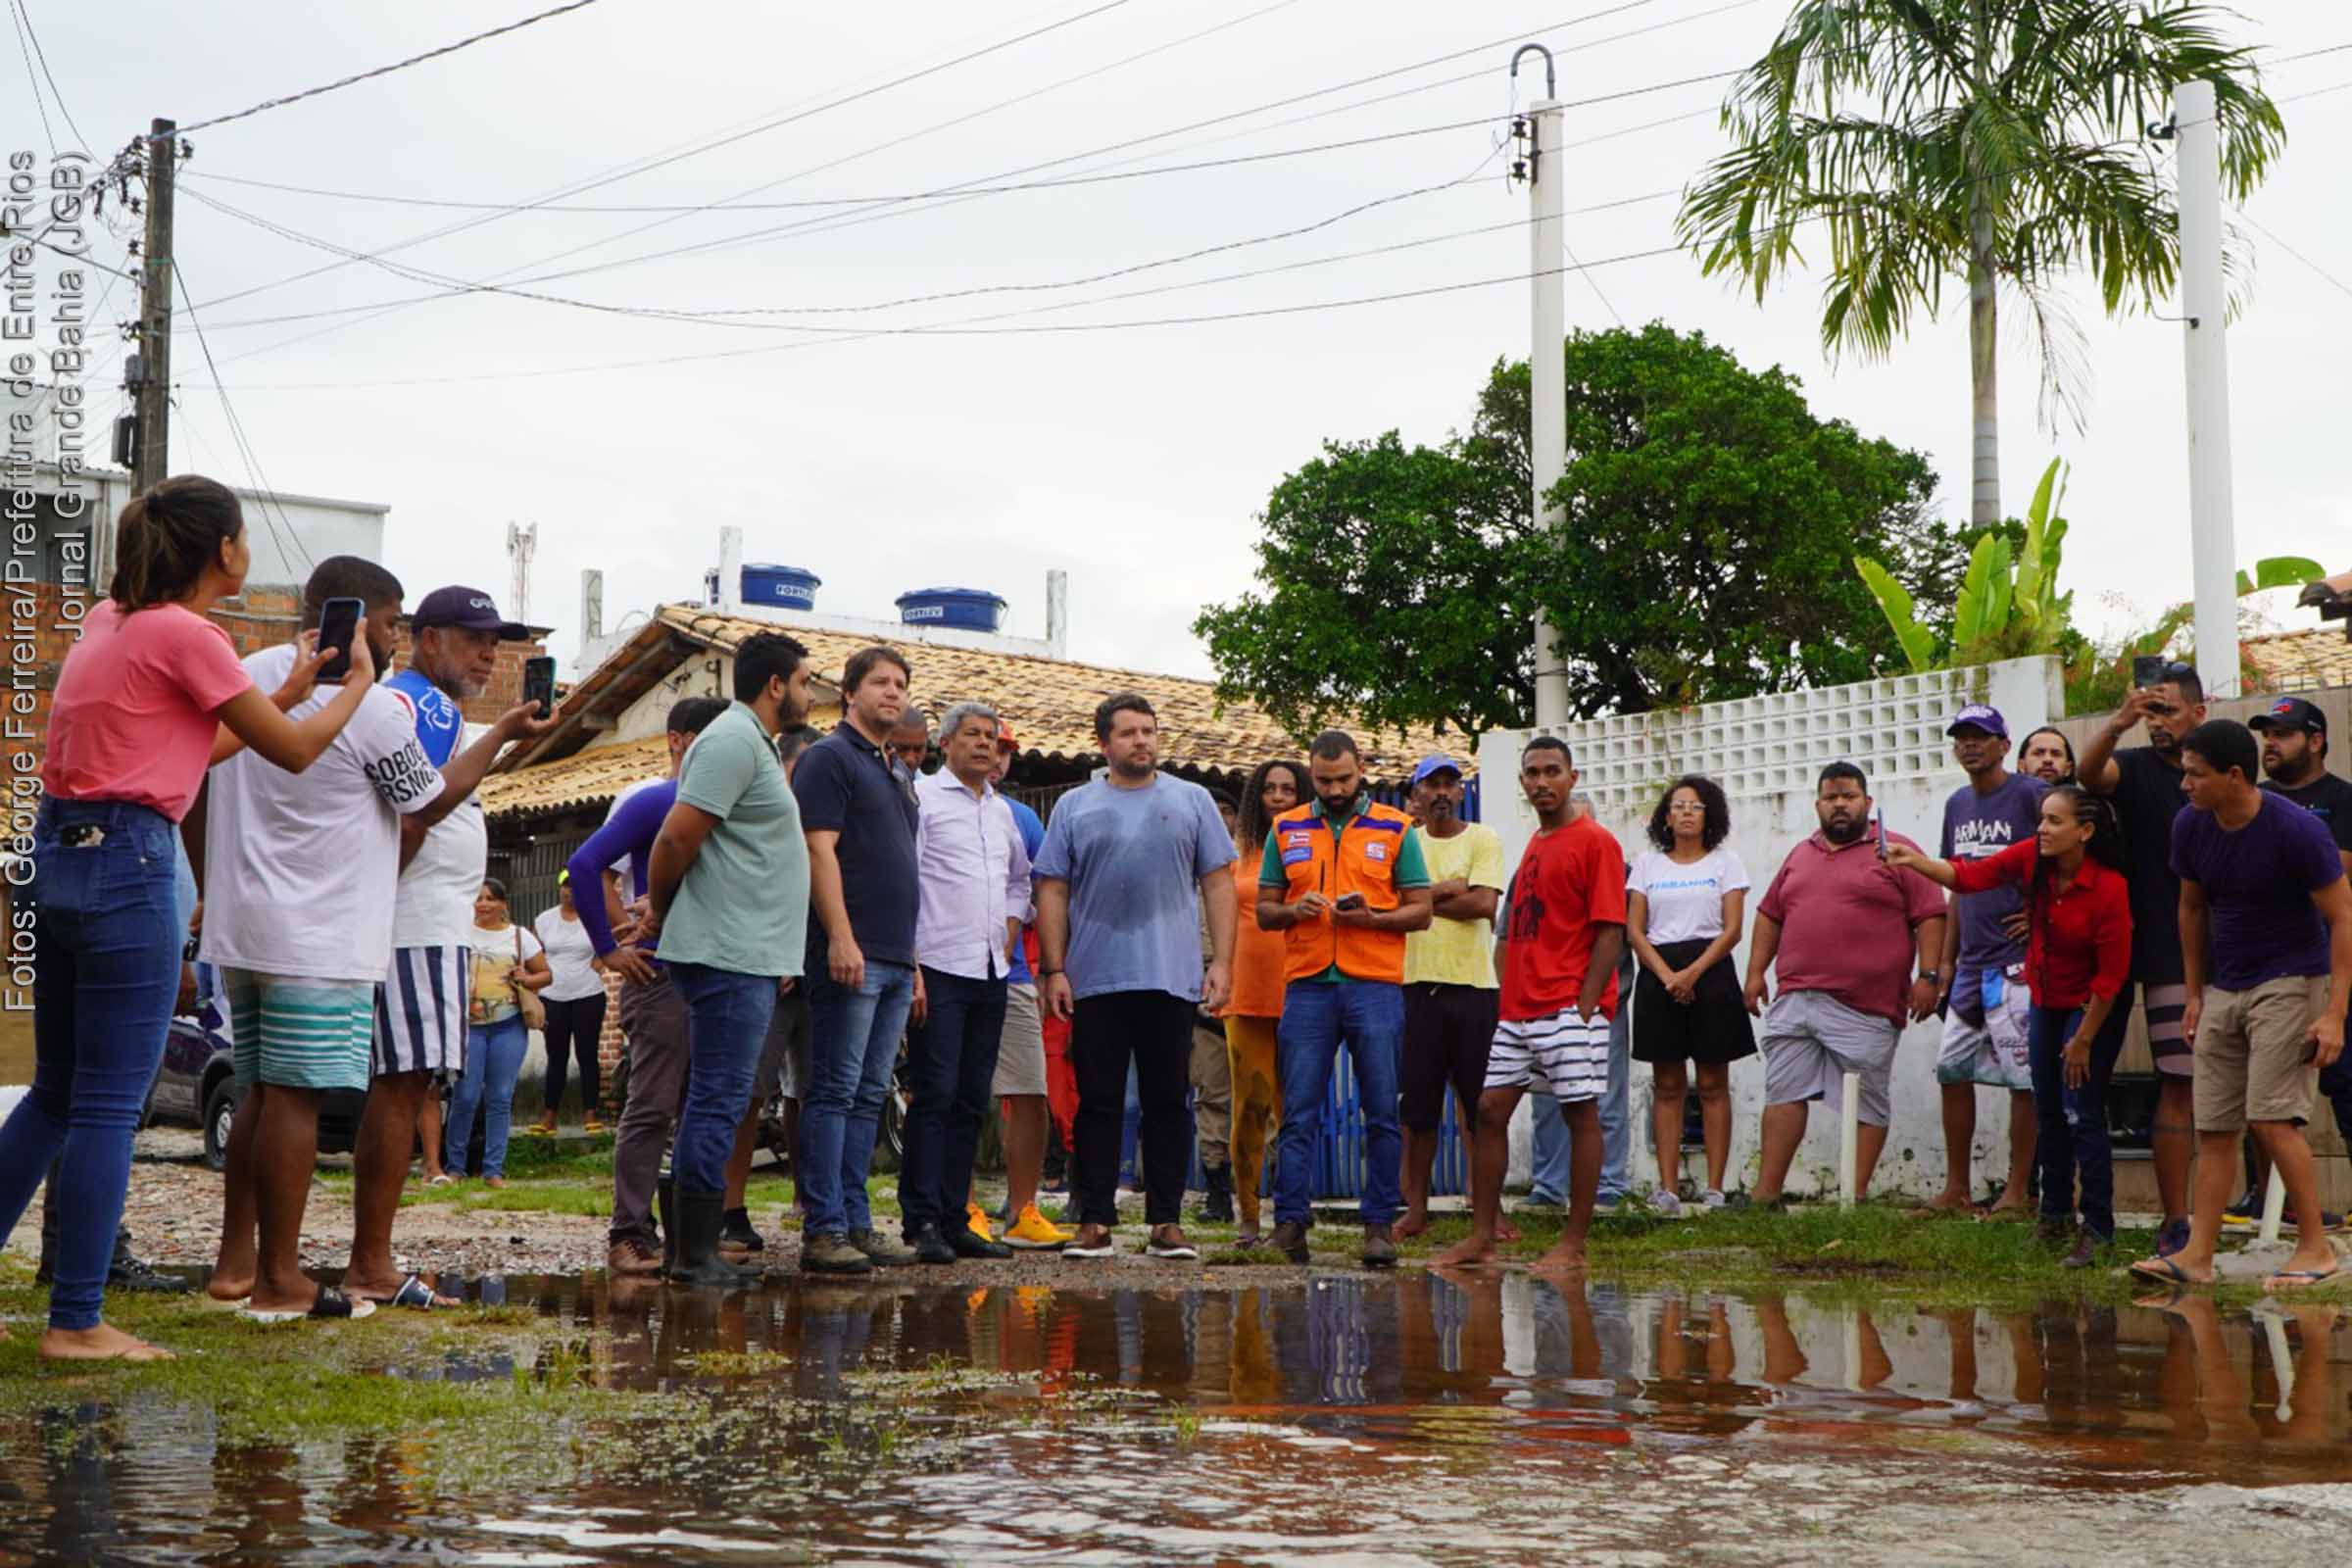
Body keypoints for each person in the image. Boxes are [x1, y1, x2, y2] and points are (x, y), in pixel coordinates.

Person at [0, 478, 369, 1360]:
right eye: (243, 540)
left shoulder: (107, 622)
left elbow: (191, 745)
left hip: (56, 855)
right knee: (106, 1104)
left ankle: (74, 1308)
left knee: (57, 1093)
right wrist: (351, 686)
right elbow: (293, 755)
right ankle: (78, 1321)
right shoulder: (190, 634)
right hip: (131, 864)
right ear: (223, 552)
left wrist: (291, 688)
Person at [201, 557, 462, 1324]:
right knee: (296, 1097)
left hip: (243, 922)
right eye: (389, 625)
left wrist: (207, 888)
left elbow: (196, 781)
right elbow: (428, 800)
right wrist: (505, 737)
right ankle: (282, 1278)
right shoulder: (372, 706)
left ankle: (235, 1262)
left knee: (258, 1088)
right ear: (353, 616)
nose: (390, 641)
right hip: (318, 929)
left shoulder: (249, 673)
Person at [346, 584, 548, 1312]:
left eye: (495, 640)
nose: (489, 654)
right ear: (427, 640)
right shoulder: (426, 706)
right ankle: (369, 1263)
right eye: (472, 639)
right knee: (401, 1087)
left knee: (401, 1087)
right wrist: (373, 899)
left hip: (423, 923)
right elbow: (415, 813)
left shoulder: (433, 711)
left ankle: (368, 1257)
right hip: (417, 924)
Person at [2130, 719, 2352, 1293]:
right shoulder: (2191, 825)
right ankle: (2197, 1255)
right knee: (2216, 1125)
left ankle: (2316, 1248)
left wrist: (2334, 1012)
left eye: (2195, 776)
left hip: (2292, 978)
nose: (2185, 786)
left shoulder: (2296, 830)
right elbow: (2190, 908)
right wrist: (2194, 993)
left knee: (2272, 1117)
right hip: (2226, 985)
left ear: (2233, 775)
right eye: (2183, 774)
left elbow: (2342, 916)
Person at [1886, 786, 2132, 1266]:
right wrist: (1912, 860)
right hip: (2046, 1001)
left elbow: (2112, 977)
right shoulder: (2032, 860)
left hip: (2091, 1009)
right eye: (2041, 819)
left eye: (2054, 822)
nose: (2041, 829)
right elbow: (1968, 876)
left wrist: (2083, 1041)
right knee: (2048, 1110)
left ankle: (2098, 1229)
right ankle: (2055, 1219)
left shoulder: (2108, 888)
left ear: (2084, 832)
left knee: (2081, 1111)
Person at [1035, 693, 1236, 1261]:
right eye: (1128, 733)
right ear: (1104, 743)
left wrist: (1221, 963)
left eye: (1148, 731)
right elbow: (1051, 887)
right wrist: (1054, 968)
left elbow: (1218, 884)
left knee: (1169, 1099)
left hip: (1171, 978)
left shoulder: (1191, 800)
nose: (1141, 741)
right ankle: (1094, 1220)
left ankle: (1167, 1222)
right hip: (1094, 978)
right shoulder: (1075, 806)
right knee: (1097, 1102)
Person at [642, 631, 815, 1285]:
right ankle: (694, 1254)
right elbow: (674, 839)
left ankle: (692, 1248)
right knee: (719, 1099)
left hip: (745, 951)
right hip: (726, 953)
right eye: (803, 681)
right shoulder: (733, 741)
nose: (806, 693)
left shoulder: (753, 746)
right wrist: (660, 910)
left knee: (719, 1097)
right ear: (776, 685)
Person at [1433, 737, 1623, 1276]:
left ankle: (1573, 1244)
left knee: (1579, 1113)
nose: (1541, 781)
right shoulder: (1537, 843)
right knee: (1489, 1111)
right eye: (1532, 773)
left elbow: (1610, 931)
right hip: (1519, 1008)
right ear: (1522, 783)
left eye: (1552, 771)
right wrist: (1508, 992)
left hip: (1568, 1005)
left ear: (1572, 777)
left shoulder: (1596, 842)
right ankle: (1482, 1237)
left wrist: (1585, 1007)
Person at [564, 696, 729, 1277]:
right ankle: (629, 1232)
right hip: (660, 973)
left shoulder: (732, 808)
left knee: (699, 1107)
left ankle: (687, 1234)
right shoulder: (659, 801)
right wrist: (611, 947)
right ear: (683, 742)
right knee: (653, 1105)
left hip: (718, 972)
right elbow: (584, 866)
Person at [1257, 732, 1433, 1268]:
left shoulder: (1396, 827)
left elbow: (1421, 909)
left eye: (1344, 779)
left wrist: (1372, 919)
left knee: (1381, 1109)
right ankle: (1290, 1224)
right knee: (1299, 1112)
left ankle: (1379, 1225)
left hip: (1374, 985)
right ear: (1312, 775)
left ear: (1362, 770)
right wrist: (1295, 910)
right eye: (1324, 780)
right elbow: (1265, 909)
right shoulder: (1285, 829)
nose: (1334, 789)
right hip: (1308, 985)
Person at [1741, 762, 1947, 1204]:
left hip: (1865, 1005)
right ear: (1817, 804)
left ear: (1867, 804)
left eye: (1848, 796)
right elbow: (1770, 913)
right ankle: (1765, 1197)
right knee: (1783, 1093)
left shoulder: (1895, 850)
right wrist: (1756, 972)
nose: (1839, 804)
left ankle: (1850, 1201)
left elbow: (1930, 912)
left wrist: (1928, 976)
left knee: (1867, 1102)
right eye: (1831, 797)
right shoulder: (1801, 853)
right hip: (1796, 997)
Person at [794, 646, 922, 1273]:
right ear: (849, 693)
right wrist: (841, 937)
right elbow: (820, 852)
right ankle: (824, 1228)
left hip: (897, 956)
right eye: (880, 682)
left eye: (900, 684)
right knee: (836, 1090)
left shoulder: (892, 768)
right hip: (852, 953)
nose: (892, 693)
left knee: (870, 1095)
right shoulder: (828, 759)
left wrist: (913, 959)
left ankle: (858, 1223)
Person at [2078, 663, 2206, 1256]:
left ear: (2199, 715)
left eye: (2167, 713)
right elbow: (2087, 773)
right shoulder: (2131, 768)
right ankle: (2175, 1220)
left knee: (2227, 1088)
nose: (2157, 726)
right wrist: (2118, 723)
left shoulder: (2223, 769)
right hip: (2154, 953)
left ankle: (2243, 1208)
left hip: (2221, 955)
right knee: (2173, 1087)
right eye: (2151, 714)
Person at [900, 702, 1028, 1263]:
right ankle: (921, 1219)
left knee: (973, 1099)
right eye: (971, 735)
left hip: (989, 970)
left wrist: (1010, 932)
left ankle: (957, 1219)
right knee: (935, 1095)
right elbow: (904, 885)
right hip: (939, 966)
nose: (983, 745)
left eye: (991, 737)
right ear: (944, 745)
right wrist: (913, 967)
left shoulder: (999, 810)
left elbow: (1020, 881)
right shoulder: (923, 799)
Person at [1919, 705, 2044, 1219]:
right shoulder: (1956, 804)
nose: (1970, 745)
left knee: (2023, 1080)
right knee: (1952, 1070)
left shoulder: (2031, 795)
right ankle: (1956, 1189)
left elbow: (2060, 859)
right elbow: (1954, 882)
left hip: (2017, 964)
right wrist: (1946, 960)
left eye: (1981, 737)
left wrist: (2039, 921)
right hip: (1970, 963)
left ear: (2003, 745)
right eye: (1962, 738)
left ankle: (2017, 1191)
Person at [1626, 774, 1753, 1213]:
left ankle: (1715, 1189)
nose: (1685, 812)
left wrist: (1693, 974)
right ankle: (1667, 1190)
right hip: (1658, 974)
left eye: (1695, 806)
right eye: (1677, 805)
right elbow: (1634, 930)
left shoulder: (1726, 863)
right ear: (1665, 815)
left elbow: (1732, 929)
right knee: (1666, 1084)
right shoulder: (1647, 865)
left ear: (1709, 815)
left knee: (1714, 1082)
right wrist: (1667, 976)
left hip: (1711, 972)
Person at [2248, 697, 2352, 1216]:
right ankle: (2264, 1201)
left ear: (2315, 741)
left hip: (2330, 965)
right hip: (2265, 966)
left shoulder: (2343, 800)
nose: (2271, 742)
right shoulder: (2253, 799)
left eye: (2283, 733)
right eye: (2267, 733)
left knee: (2345, 1085)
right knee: (2261, 1096)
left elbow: (2336, 872)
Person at [1396, 755, 1503, 1238]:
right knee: (1417, 1111)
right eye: (1431, 784)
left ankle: (1489, 1211)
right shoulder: (1405, 843)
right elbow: (1395, 905)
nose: (1441, 792)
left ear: (1461, 792)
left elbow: (1484, 904)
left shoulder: (1483, 839)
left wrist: (1423, 899)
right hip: (1417, 986)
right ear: (1416, 794)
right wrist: (1448, 889)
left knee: (1479, 1108)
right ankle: (1415, 1209)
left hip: (1475, 989)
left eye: (1449, 784)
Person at [982, 721, 1075, 1249]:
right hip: (948, 971)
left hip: (1015, 973)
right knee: (960, 1097)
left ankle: (1023, 1210)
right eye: (989, 746)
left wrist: (1051, 969)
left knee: (1031, 1091)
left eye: (1006, 752)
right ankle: (963, 1207)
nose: (997, 759)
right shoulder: (926, 801)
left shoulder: (1022, 819)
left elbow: (1047, 892)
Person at [1526, 795, 1634, 1214]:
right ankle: (1548, 1186)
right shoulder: (1533, 866)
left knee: (1604, 1096)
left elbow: (1625, 937)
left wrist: (1594, 1003)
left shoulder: (1618, 869)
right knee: (1547, 1100)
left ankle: (1610, 1184)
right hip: (1545, 1002)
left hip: (1603, 1003)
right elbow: (1510, 932)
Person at [1224, 759, 1306, 1248]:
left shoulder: (1314, 848)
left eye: (1289, 789)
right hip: (1246, 993)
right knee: (1248, 1109)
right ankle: (1249, 1216)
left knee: (1295, 1112)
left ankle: (1293, 1215)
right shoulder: (1235, 851)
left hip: (1303, 991)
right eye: (1270, 789)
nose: (1279, 797)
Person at [444, 879, 551, 1187]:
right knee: (464, 1096)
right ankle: (455, 1167)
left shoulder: (520, 937)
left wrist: (526, 978)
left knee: (500, 1098)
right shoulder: (460, 933)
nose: (484, 904)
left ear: (504, 904)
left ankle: (493, 1170)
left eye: (491, 899)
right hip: (469, 1027)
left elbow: (546, 974)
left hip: (509, 1025)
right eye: (478, 899)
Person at [1192, 787, 1241, 1225]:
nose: (1221, 818)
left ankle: (1267, 1189)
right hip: (1200, 991)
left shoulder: (1255, 866)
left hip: (1254, 989)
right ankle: (1217, 1190)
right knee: (1212, 1094)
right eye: (1215, 809)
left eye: (1228, 810)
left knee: (1265, 1095)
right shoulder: (1184, 868)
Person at [532, 872, 609, 1134]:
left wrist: (598, 966)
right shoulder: (544, 920)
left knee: (587, 1055)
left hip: (588, 994)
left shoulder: (595, 916)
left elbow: (610, 944)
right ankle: (549, 1116)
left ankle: (590, 1114)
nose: (570, 892)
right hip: (553, 995)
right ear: (560, 888)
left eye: (576, 886)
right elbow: (534, 954)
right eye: (566, 886)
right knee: (556, 1056)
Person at [889, 711, 932, 776]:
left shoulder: (930, 785)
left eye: (918, 749)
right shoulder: (869, 781)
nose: (910, 759)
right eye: (902, 749)